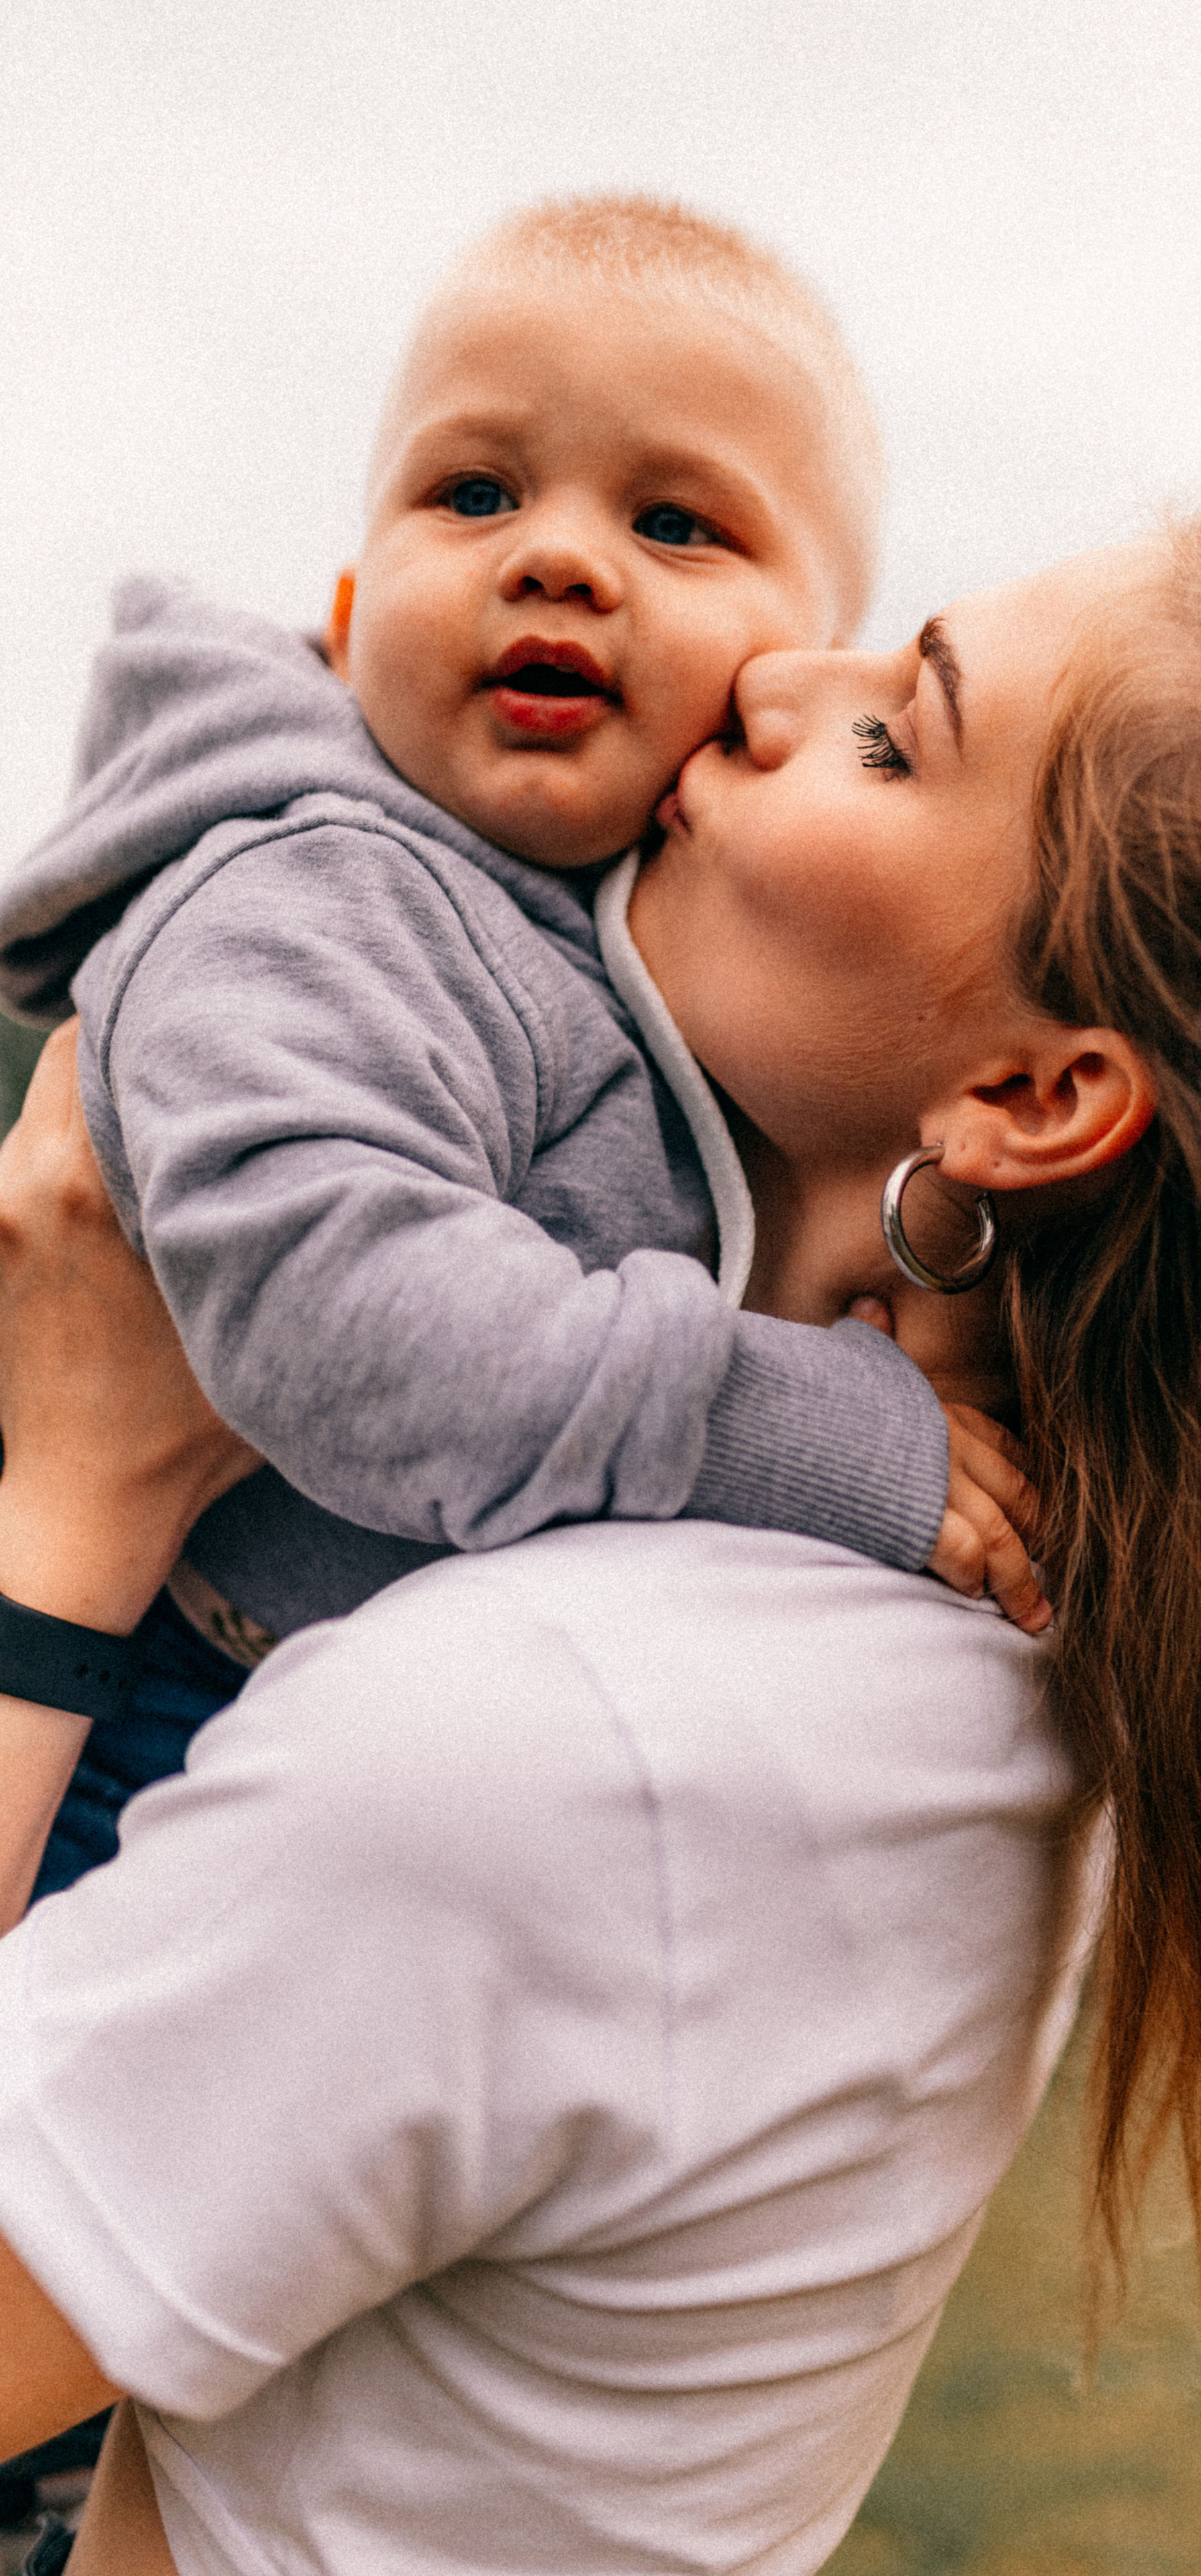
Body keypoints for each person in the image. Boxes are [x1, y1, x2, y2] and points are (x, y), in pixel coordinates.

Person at [0, 520, 1201, 2571]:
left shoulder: (554, 1739)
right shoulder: (970, 1663)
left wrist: (79, 1500)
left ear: (1036, 1096)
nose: (769, 684)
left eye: (898, 735)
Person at [0, 191, 1038, 1901]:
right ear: (347, 618)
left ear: (799, 673)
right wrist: (805, 1432)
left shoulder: (640, 949)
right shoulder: (321, 890)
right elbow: (354, 1323)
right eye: (472, 493)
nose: (556, 556)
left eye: (678, 522)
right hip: (145, 1720)